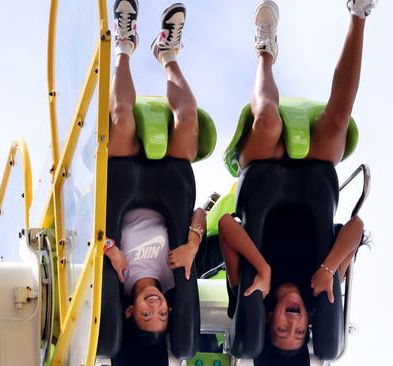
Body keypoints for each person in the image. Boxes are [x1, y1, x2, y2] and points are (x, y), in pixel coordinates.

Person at [218, 0, 376, 357]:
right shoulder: (323, 289)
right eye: (300, 331)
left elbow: (228, 224)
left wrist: (262, 268)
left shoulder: (244, 288)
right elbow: (355, 227)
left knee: (269, 120)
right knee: (338, 119)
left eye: (281, 330)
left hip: (262, 171)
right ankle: (359, 13)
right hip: (311, 178)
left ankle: (264, 52)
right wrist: (328, 268)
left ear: (269, 317)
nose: (293, 323)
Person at [103, 0, 206, 338]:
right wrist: (192, 244)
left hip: (126, 182)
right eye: (162, 312)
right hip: (164, 185)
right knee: (188, 120)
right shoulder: (174, 270)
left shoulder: (118, 277)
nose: (156, 305)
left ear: (130, 312)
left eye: (148, 314)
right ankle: (167, 52)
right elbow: (200, 213)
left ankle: (124, 43)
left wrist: (112, 250)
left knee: (120, 118)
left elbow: (86, 234)